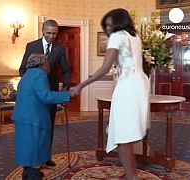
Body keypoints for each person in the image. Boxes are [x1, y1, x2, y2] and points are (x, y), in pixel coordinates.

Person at [70, 8, 149, 180]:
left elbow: (105, 68)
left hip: (127, 86)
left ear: (118, 21)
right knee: (126, 133)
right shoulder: (135, 37)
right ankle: (132, 174)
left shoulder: (117, 36)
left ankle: (131, 177)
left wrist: (80, 86)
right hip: (140, 84)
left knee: (121, 134)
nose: (107, 28)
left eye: (108, 24)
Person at [19, 19, 71, 167]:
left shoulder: (60, 49)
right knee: (35, 126)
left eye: (54, 33)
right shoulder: (32, 46)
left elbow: (66, 70)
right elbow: (22, 69)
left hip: (50, 92)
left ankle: (46, 156)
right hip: (34, 95)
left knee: (48, 125)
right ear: (43, 30)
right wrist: (30, 85)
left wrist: (66, 87)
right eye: (48, 33)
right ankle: (33, 158)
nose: (51, 36)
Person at [12, 54, 71, 180]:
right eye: (47, 62)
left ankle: (27, 174)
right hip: (34, 119)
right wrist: (67, 95)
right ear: (42, 64)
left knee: (28, 149)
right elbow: (45, 96)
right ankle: (33, 176)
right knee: (35, 151)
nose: (49, 65)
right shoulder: (39, 74)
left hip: (23, 117)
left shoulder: (27, 75)